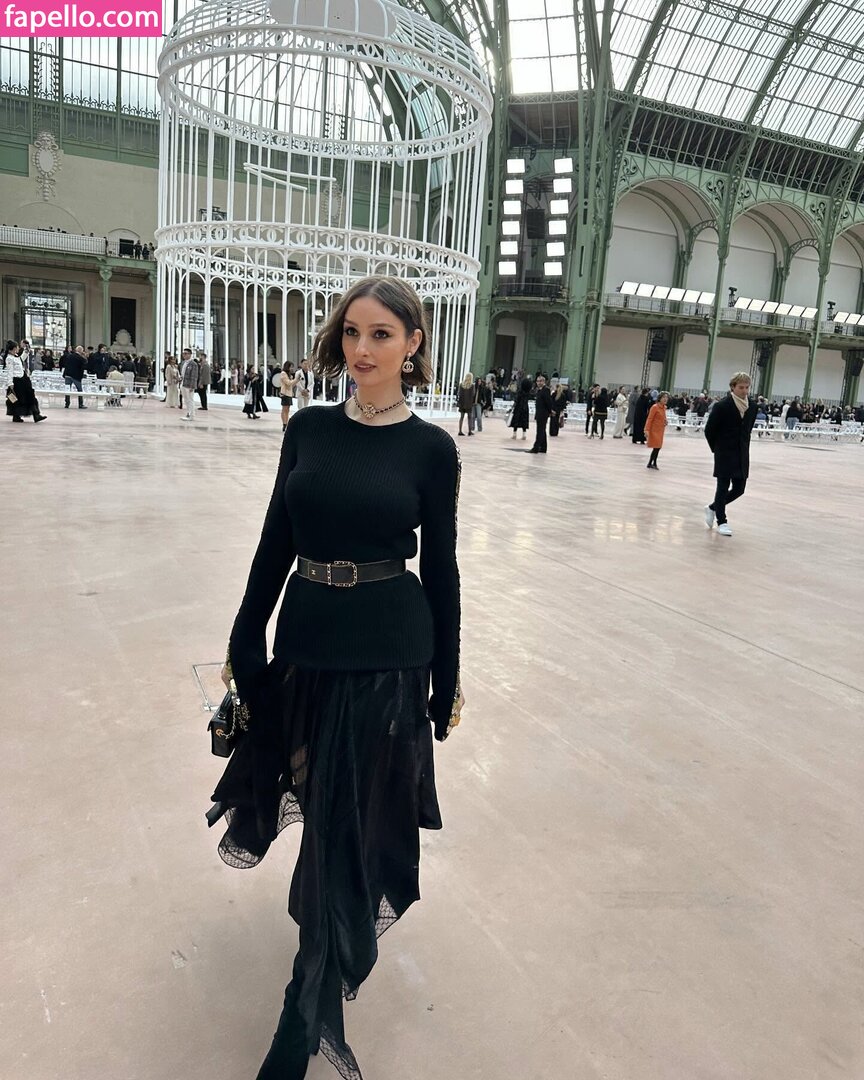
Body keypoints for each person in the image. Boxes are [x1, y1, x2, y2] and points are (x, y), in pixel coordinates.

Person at [208, 274, 462, 1080]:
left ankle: (302, 1010)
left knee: (344, 829)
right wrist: (245, 635)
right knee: (322, 814)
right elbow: (274, 541)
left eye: (381, 334)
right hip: (307, 645)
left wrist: (448, 676)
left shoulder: (431, 449)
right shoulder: (310, 429)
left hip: (389, 655)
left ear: (413, 344)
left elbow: (443, 569)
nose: (362, 349)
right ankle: (316, 975)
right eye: (352, 332)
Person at [703, 372, 757, 537]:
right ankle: (722, 521)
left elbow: (747, 430)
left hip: (742, 453)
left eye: (747, 387)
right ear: (733, 387)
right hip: (724, 452)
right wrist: (717, 448)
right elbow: (709, 430)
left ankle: (712, 507)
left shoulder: (752, 407)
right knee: (722, 487)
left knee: (739, 489)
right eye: (741, 387)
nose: (744, 391)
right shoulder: (722, 406)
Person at [529, 373, 552, 453]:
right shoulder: (539, 390)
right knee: (542, 431)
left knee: (540, 431)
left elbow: (548, 402)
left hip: (543, 414)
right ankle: (543, 447)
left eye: (540, 381)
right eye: (537, 381)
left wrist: (550, 411)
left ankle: (536, 447)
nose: (538, 383)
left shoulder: (546, 390)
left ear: (543, 382)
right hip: (539, 413)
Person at [645, 391, 668, 469]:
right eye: (664, 397)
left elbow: (663, 417)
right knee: (656, 447)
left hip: (660, 430)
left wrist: (665, 421)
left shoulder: (664, 408)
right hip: (654, 430)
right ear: (659, 398)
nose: (665, 399)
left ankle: (652, 463)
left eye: (666, 397)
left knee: (658, 447)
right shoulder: (655, 407)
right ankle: (652, 463)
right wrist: (646, 429)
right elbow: (650, 419)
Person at [60, 344, 87, 409]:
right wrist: (84, 356)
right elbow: (85, 364)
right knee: (79, 390)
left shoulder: (69, 356)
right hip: (76, 376)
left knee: (67, 390)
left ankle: (67, 403)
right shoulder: (80, 358)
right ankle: (80, 404)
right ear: (81, 351)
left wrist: (64, 374)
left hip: (68, 375)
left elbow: (65, 365)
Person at [180, 348, 199, 421]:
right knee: (186, 400)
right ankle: (188, 413)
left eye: (186, 353)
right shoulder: (183, 363)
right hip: (183, 383)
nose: (184, 355)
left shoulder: (193, 364)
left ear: (190, 354)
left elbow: (194, 376)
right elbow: (183, 373)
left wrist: (192, 386)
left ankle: (192, 415)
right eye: (183, 353)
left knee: (190, 400)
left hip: (189, 385)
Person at [279, 362, 295, 431]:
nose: (292, 368)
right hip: (285, 394)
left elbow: (291, 385)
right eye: (291, 367)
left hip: (289, 394)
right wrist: (296, 379)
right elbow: (288, 383)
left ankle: (286, 423)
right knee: (284, 409)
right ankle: (284, 424)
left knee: (287, 409)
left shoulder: (289, 374)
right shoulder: (283, 373)